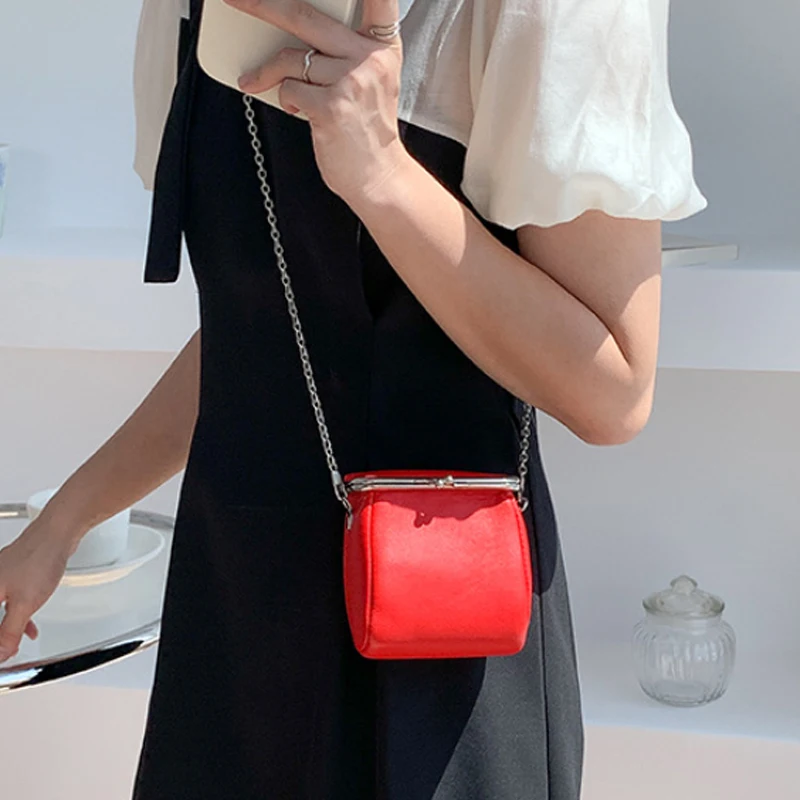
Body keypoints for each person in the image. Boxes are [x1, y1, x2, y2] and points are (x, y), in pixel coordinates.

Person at [0, 0, 708, 797]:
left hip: (441, 643)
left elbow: (614, 393)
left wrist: (385, 178)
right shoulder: (181, 15)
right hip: (238, 627)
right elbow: (268, 330)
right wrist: (61, 524)